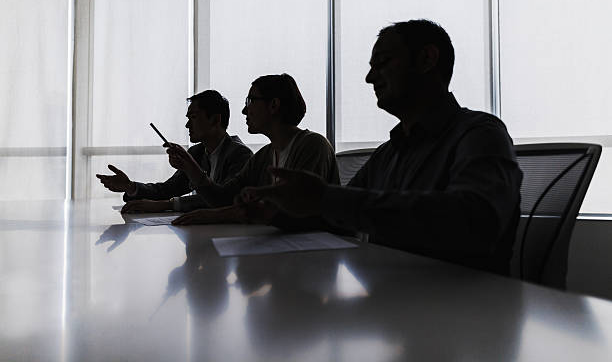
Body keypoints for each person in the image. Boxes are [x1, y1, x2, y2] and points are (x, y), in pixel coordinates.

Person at [240, 20, 523, 275]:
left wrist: (325, 198)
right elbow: (339, 217)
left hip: (467, 313)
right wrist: (277, 214)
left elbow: (475, 222)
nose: (369, 78)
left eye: (383, 62)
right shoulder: (389, 153)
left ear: (426, 59)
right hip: (396, 305)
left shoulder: (480, 133)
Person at [168, 73, 339, 225]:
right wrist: (190, 167)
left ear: (273, 105)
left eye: (250, 101)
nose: (244, 110)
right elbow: (223, 198)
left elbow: (297, 211)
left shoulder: (314, 146)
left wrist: (217, 215)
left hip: (318, 253)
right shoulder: (264, 155)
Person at [96, 90, 252, 213]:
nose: (187, 125)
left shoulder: (240, 155)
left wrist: (166, 205)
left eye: (193, 117)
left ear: (215, 120)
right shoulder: (197, 152)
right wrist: (131, 187)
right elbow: (168, 189)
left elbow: (223, 199)